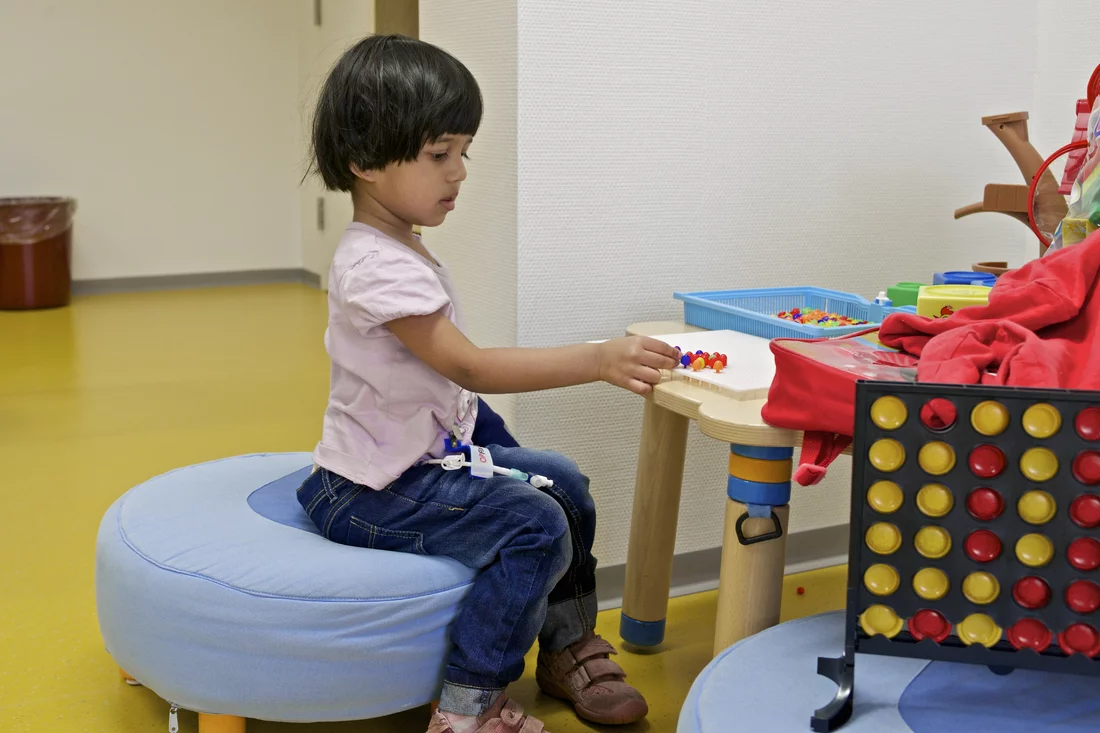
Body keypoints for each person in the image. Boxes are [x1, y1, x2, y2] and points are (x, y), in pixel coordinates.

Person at [296, 34, 680, 733]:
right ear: (364, 161)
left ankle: (566, 645)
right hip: (371, 489)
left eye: (462, 152)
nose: (460, 172)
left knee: (564, 482)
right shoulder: (376, 265)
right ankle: (466, 707)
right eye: (439, 154)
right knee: (534, 523)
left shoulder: (399, 241)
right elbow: (468, 366)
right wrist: (597, 359)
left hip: (423, 457)